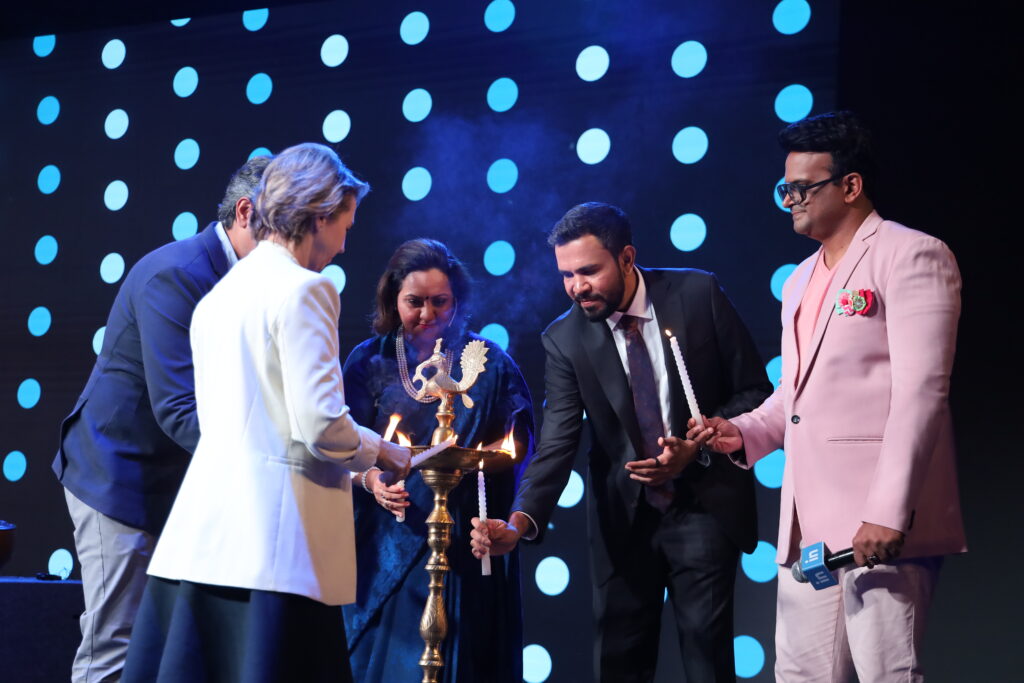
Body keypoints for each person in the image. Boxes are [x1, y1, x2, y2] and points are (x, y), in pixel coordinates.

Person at [121, 143, 411, 683]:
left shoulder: (220, 295)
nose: (344, 246)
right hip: (275, 548)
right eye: (345, 226)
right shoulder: (307, 289)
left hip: (204, 542)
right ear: (320, 216)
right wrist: (382, 451)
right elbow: (320, 425)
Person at [702, 111, 965, 681]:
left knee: (888, 673)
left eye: (803, 188)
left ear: (850, 186)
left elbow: (922, 393)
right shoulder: (799, 279)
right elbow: (795, 397)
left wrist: (887, 512)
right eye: (785, 189)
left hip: (881, 523)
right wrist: (742, 431)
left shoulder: (911, 254)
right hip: (808, 529)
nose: (791, 201)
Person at [472, 203, 772, 682]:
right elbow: (557, 442)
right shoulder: (564, 338)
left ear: (627, 258)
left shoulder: (698, 294)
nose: (577, 287)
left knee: (708, 664)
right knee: (619, 664)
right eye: (567, 275)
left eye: (589, 271)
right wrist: (518, 521)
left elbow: (755, 391)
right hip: (623, 521)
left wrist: (699, 444)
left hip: (703, 505)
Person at [52, 155, 269, 682]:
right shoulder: (176, 275)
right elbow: (176, 409)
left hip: (176, 484)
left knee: (166, 653)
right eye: (288, 226)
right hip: (118, 475)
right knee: (115, 648)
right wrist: (265, 465)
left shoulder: (253, 285)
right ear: (245, 213)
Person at [342, 238, 534, 683]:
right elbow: (334, 447)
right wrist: (371, 480)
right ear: (393, 299)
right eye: (415, 302)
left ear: (457, 300)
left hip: (463, 547)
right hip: (385, 546)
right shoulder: (368, 361)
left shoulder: (489, 365)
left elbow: (520, 449)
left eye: (439, 302)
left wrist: (477, 472)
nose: (427, 314)